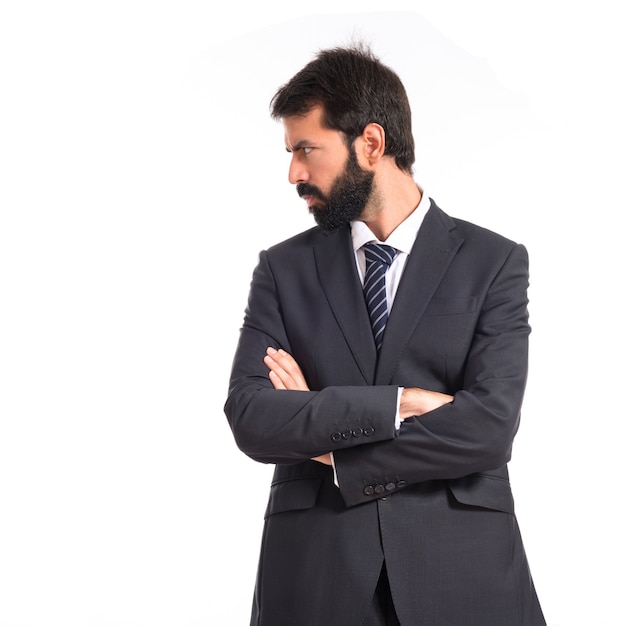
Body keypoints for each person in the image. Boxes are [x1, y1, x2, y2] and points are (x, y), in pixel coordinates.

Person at [224, 43, 546, 626]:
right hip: (315, 575)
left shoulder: (494, 262)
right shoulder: (283, 269)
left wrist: (330, 441)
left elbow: (489, 427)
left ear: (370, 144)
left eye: (305, 149)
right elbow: (250, 416)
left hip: (463, 571)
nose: (294, 172)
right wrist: (397, 405)